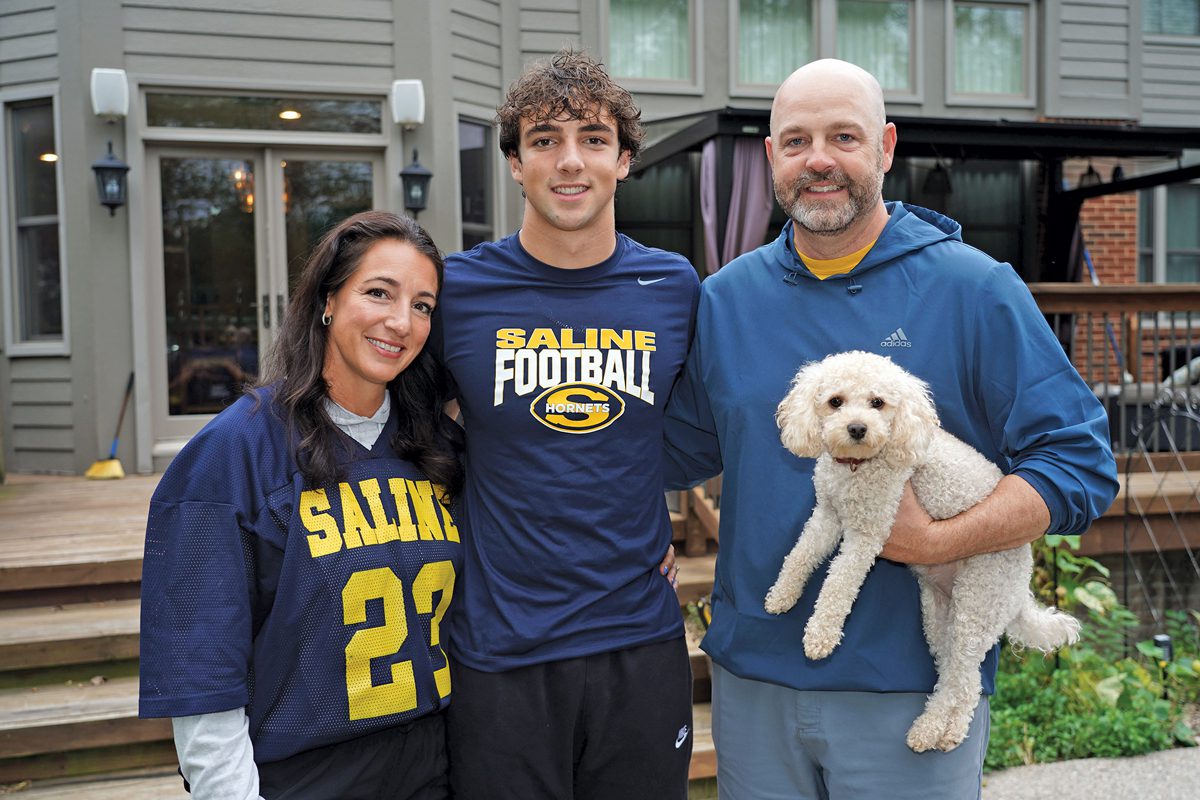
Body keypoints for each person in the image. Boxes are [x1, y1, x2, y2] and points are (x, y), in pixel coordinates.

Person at [662, 59, 1119, 799]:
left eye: (844, 136)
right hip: (752, 682)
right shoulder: (725, 298)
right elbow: (667, 452)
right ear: (770, 155)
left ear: (886, 147)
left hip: (908, 683)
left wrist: (936, 543)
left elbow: (1079, 467)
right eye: (796, 139)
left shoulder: (973, 288)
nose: (819, 160)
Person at [433, 50, 699, 799]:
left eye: (592, 137)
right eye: (544, 139)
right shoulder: (459, 289)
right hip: (500, 645)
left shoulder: (673, 287)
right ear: (515, 164)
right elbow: (403, 430)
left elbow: (718, 424)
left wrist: (660, 513)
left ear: (623, 160)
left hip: (638, 642)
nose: (569, 160)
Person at [139, 211, 464, 799]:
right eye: (378, 292)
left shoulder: (439, 448)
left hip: (431, 769)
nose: (400, 321)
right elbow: (203, 679)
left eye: (422, 305)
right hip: (300, 777)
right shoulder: (233, 454)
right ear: (326, 301)